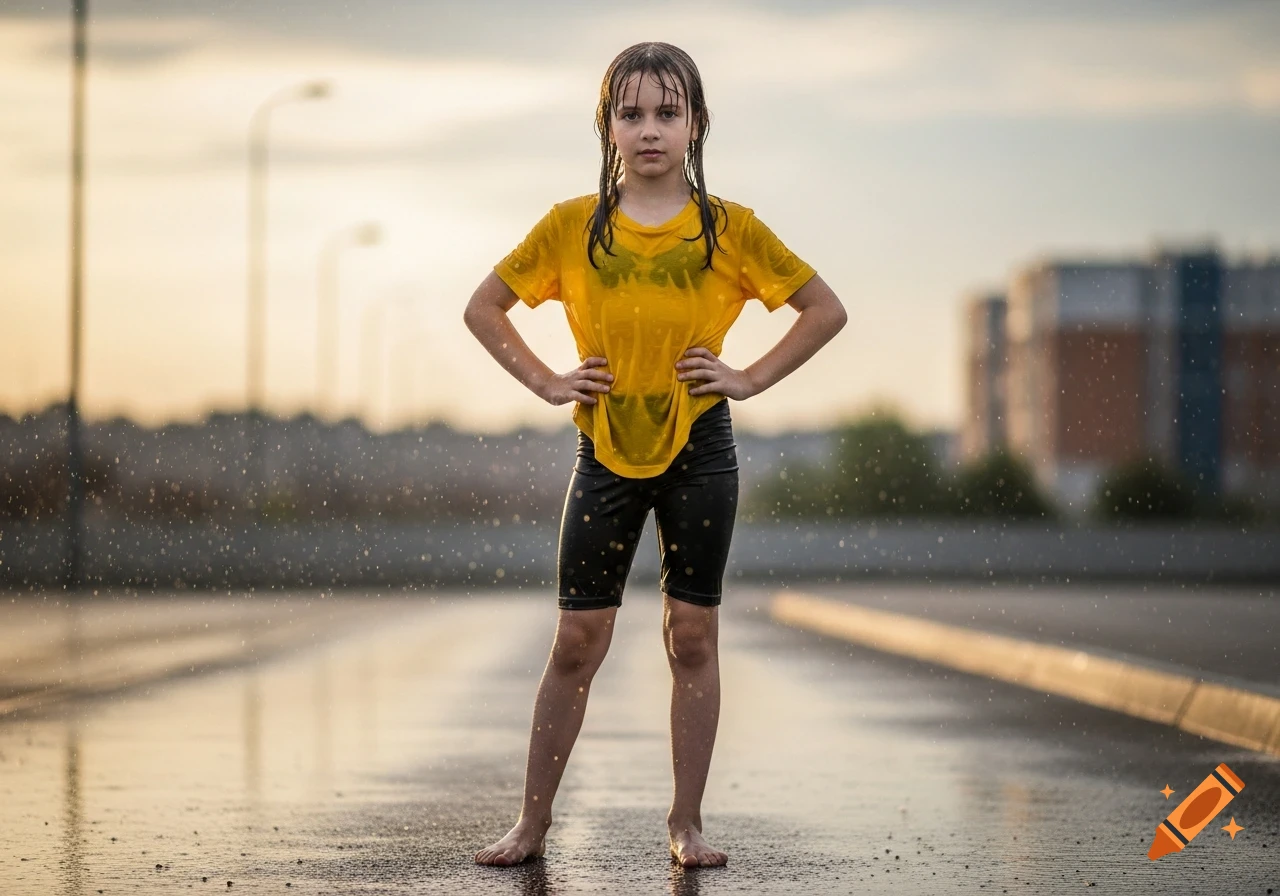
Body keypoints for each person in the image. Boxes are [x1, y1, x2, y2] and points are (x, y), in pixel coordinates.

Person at [463, 41, 846, 869]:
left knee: (693, 635)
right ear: (606, 126)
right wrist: (546, 381)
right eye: (630, 113)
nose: (648, 131)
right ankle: (531, 825)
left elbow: (823, 309)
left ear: (696, 124)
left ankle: (687, 822)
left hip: (700, 449)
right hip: (603, 449)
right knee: (577, 639)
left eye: (667, 114)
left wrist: (747, 377)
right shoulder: (572, 227)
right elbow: (485, 307)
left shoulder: (728, 230)